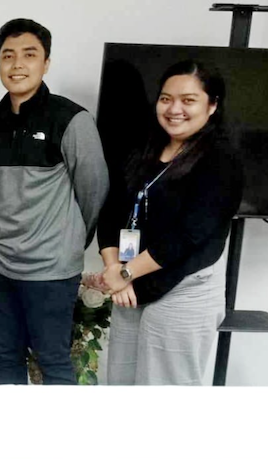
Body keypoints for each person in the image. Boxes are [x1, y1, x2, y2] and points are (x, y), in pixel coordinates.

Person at [0, 18, 109, 385]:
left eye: (29, 55)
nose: (17, 64)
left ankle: (55, 443)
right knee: (6, 359)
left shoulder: (71, 119)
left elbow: (94, 190)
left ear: (46, 63)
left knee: (53, 362)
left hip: (50, 270)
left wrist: (67, 242)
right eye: (8, 56)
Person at [97, 60, 243, 385]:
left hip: (182, 290)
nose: (174, 108)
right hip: (130, 288)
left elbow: (187, 234)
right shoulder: (143, 148)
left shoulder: (221, 161)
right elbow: (110, 211)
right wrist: (115, 269)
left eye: (188, 100)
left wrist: (124, 272)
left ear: (213, 105)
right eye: (166, 98)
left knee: (167, 401)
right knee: (120, 388)